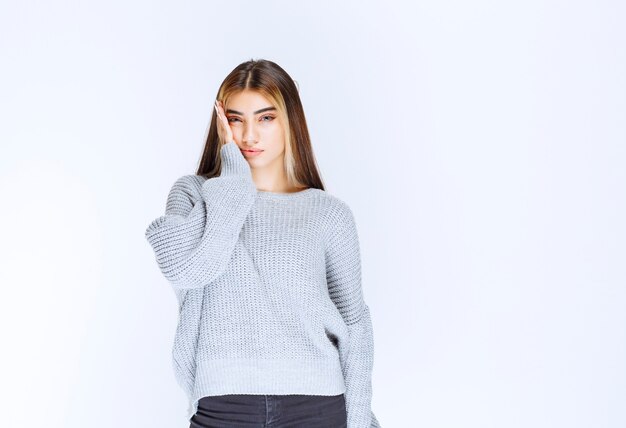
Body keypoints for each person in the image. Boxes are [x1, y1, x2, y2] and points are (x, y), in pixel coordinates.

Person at [144, 58, 381, 428]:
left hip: (317, 405)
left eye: (265, 118)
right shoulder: (194, 195)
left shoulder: (328, 213)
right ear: (221, 125)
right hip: (223, 406)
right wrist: (235, 176)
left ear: (290, 121)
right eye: (236, 119)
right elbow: (188, 270)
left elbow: (355, 325)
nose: (249, 135)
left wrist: (360, 420)